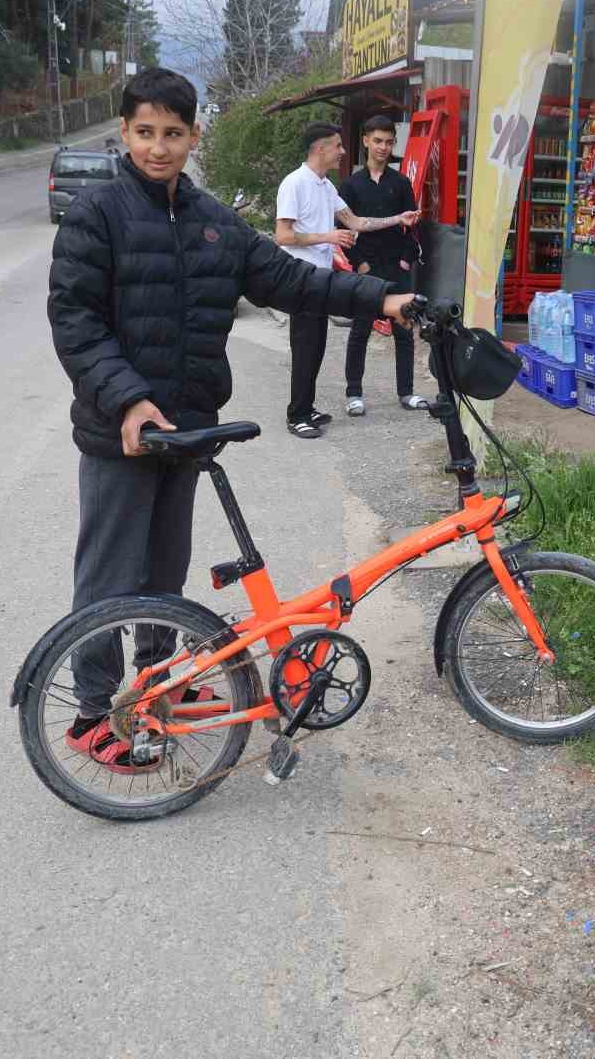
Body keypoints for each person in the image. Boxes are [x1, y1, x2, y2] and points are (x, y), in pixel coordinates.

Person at [47, 68, 413, 769]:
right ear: (124, 133)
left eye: (173, 134)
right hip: (119, 430)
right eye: (146, 133)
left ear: (193, 136)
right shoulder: (97, 216)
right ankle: (93, 713)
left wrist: (383, 298)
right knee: (108, 579)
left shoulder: (215, 222)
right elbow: (75, 319)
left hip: (185, 427)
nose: (159, 147)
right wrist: (126, 397)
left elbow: (295, 280)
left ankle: (161, 683)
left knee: (163, 569)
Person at [276, 122, 420, 438]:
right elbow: (283, 235)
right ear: (320, 149)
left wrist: (399, 218)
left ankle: (307, 407)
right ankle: (296, 415)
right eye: (338, 146)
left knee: (316, 346)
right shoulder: (294, 183)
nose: (343, 152)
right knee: (304, 347)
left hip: (321, 278)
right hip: (299, 277)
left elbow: (356, 222)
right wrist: (328, 236)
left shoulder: (326, 187)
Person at [337, 115, 429, 418]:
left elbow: (412, 227)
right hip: (367, 268)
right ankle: (353, 393)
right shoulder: (350, 186)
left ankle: (406, 391)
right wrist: (359, 264)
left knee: (404, 330)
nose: (383, 147)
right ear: (365, 141)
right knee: (361, 329)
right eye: (377, 141)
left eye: (389, 142)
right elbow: (346, 231)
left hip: (397, 267)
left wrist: (405, 261)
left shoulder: (401, 183)